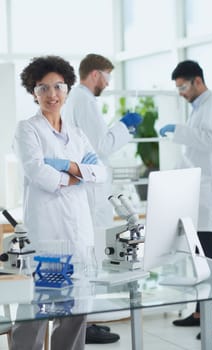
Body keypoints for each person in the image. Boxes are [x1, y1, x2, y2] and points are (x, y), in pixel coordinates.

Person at [11, 55, 108, 350]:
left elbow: (100, 172)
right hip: (47, 233)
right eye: (43, 88)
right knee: (36, 310)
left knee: (77, 311)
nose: (52, 95)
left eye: (58, 87)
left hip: (78, 232)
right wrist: (79, 174)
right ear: (33, 92)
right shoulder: (28, 129)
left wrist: (67, 165)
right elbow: (39, 173)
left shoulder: (77, 133)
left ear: (67, 89)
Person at [63, 53, 142, 344]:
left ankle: (87, 323)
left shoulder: (80, 100)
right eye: (107, 77)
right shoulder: (83, 100)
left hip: (89, 190)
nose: (108, 84)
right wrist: (123, 126)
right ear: (95, 74)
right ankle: (86, 324)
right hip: (90, 192)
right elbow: (101, 145)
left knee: (88, 259)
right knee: (90, 258)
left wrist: (119, 129)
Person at [159, 60, 212, 339]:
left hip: (209, 194)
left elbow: (211, 141)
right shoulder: (199, 108)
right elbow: (194, 149)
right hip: (195, 191)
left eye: (183, 87)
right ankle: (201, 312)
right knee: (199, 258)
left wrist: (178, 131)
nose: (181, 93)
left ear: (198, 81)